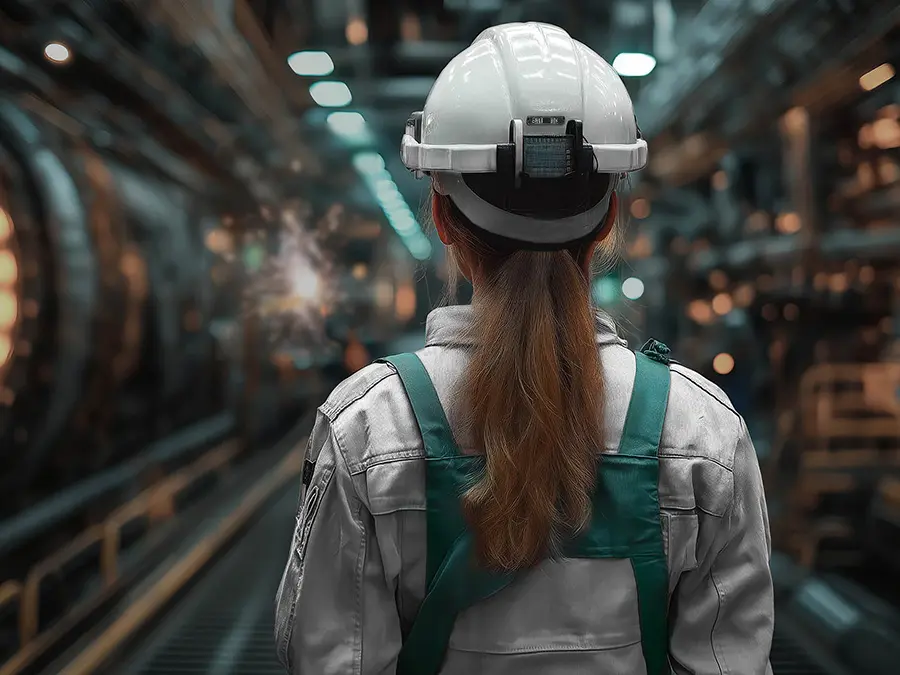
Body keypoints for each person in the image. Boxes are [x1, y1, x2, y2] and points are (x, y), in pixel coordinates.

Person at [275, 22, 774, 675]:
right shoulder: (704, 429)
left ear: (443, 217)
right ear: (607, 220)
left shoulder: (367, 426)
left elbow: (330, 660)